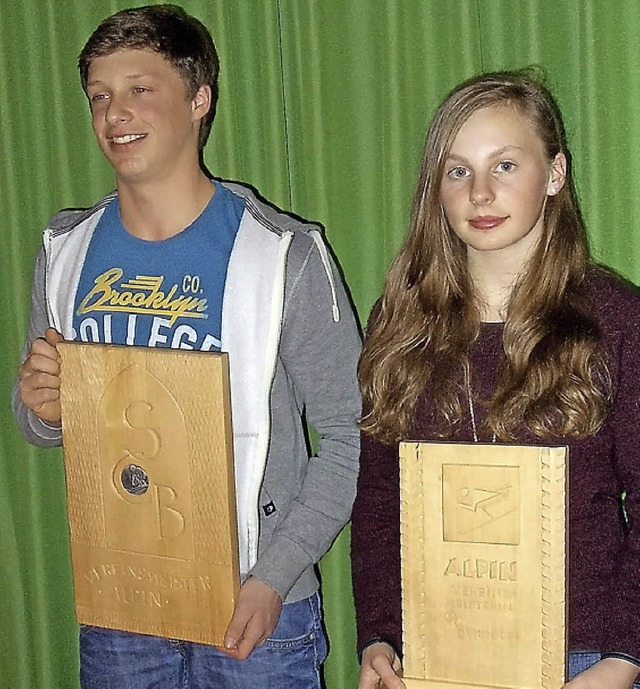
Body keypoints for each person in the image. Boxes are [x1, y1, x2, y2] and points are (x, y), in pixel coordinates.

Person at [12, 5, 361, 688]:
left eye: (141, 89)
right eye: (100, 97)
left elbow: (354, 435)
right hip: (120, 608)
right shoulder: (65, 250)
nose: (116, 114)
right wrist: (42, 409)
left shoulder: (282, 253)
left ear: (200, 99)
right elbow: (40, 422)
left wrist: (274, 576)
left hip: (256, 613)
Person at [351, 69, 640, 689]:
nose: (480, 193)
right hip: (436, 654)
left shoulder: (615, 320)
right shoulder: (400, 320)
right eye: (458, 171)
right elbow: (379, 500)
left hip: (581, 661)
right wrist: (377, 634)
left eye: (505, 165)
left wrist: (623, 658)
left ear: (555, 174)